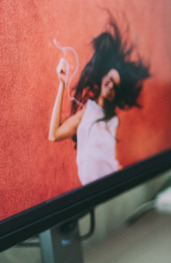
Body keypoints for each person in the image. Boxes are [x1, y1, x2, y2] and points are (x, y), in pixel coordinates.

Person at [49, 18, 150, 185]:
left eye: (115, 87)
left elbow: (108, 156)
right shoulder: (87, 111)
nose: (110, 86)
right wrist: (62, 84)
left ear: (116, 95)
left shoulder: (113, 120)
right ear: (103, 77)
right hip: (92, 190)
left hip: (110, 186)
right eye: (110, 80)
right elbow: (54, 135)